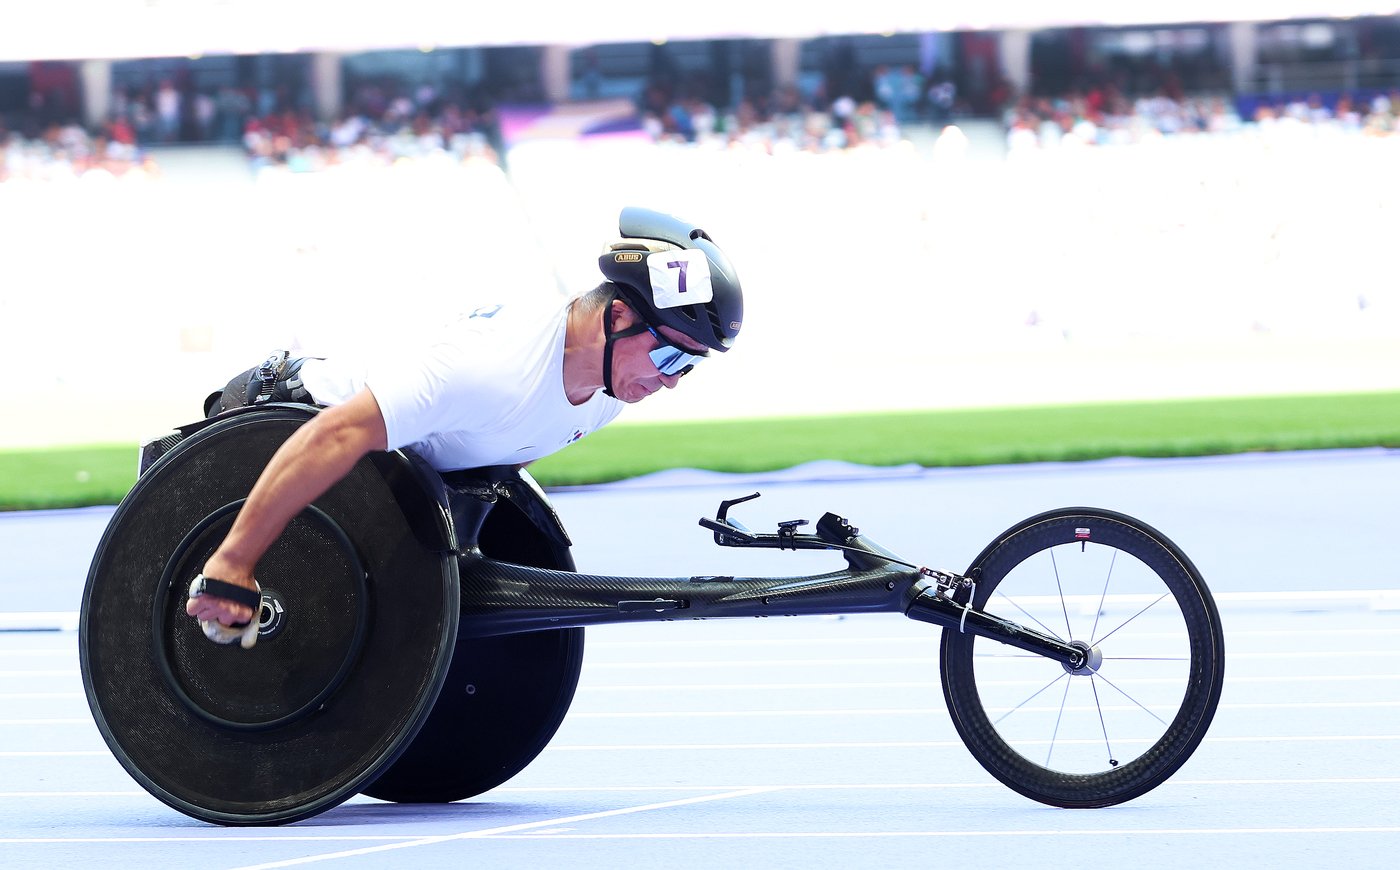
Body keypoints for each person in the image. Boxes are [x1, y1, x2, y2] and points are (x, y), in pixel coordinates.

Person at [185, 207, 744, 647]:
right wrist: (231, 564)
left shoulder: (607, 393)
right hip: (275, 418)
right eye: (671, 358)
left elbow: (497, 453)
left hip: (375, 467)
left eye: (690, 367)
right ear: (619, 317)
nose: (671, 382)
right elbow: (335, 435)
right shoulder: (489, 367)